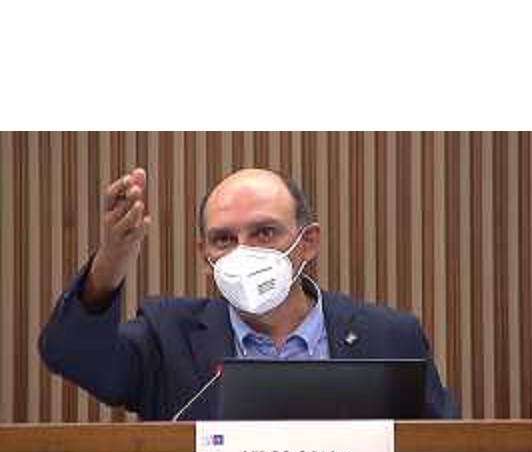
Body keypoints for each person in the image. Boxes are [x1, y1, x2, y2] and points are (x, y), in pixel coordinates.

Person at [39, 167, 459, 420]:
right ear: (205, 257)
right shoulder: (167, 338)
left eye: (264, 233)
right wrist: (109, 264)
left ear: (308, 243)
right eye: (223, 239)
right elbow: (70, 355)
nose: (243, 252)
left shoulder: (390, 336)